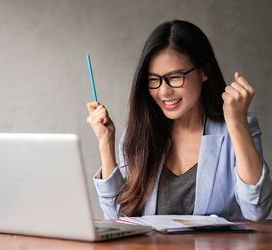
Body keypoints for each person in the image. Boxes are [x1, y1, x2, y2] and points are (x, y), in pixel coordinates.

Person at [86, 20, 272, 221]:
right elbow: (117, 218)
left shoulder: (236, 129)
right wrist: (106, 142)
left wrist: (236, 122)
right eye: (153, 80)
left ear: (204, 72)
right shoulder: (140, 134)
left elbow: (257, 210)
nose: (164, 91)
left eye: (175, 77)